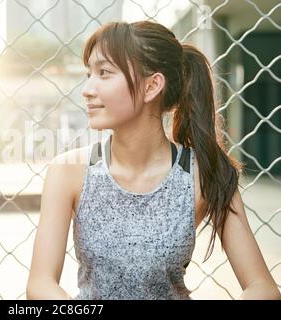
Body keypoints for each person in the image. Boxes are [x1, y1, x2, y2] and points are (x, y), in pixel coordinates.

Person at [26, 21, 281, 300]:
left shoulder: (204, 174)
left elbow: (263, 287)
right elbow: (40, 285)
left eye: (104, 73)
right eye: (89, 74)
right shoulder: (68, 172)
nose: (87, 89)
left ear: (151, 86)